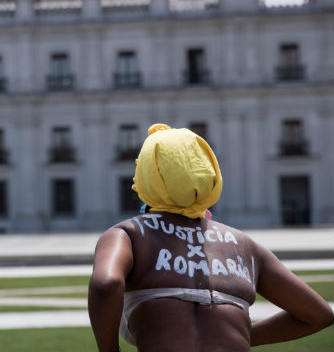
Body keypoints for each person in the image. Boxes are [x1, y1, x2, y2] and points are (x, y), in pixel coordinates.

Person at [88, 124, 333, 352]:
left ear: (147, 176)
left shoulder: (129, 234)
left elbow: (106, 284)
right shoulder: (244, 245)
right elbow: (319, 315)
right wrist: (242, 336)